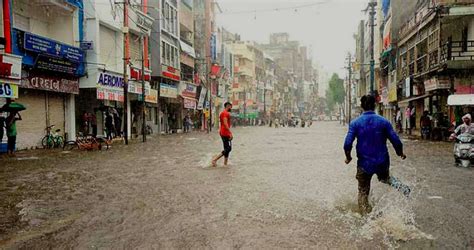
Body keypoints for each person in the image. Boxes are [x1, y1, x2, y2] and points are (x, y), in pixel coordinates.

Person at [344, 95, 407, 215]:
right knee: (386, 179)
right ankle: (403, 188)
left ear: (362, 106)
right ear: (375, 105)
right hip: (382, 162)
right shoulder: (384, 122)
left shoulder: (355, 123)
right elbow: (396, 140)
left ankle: (365, 218)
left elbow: (347, 144)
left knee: (363, 192)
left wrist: (348, 157)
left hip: (364, 164)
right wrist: (400, 153)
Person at [211, 102, 233, 167]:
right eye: (230, 106)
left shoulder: (223, 113)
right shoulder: (225, 113)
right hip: (225, 133)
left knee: (227, 148)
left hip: (223, 132)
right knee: (228, 148)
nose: (231, 108)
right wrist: (230, 133)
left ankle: (225, 164)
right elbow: (226, 124)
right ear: (228, 106)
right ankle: (215, 159)